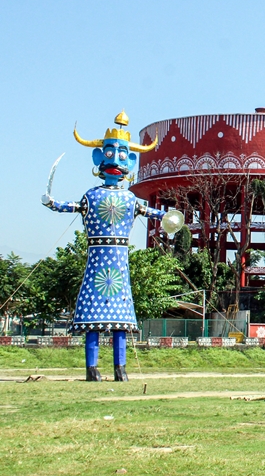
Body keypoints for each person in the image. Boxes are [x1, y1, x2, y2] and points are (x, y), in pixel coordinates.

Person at [42, 111, 183, 382]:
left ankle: (120, 368)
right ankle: (92, 368)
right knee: (93, 323)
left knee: (120, 324)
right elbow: (69, 206)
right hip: (98, 258)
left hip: (118, 262)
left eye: (122, 154)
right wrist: (52, 202)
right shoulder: (91, 196)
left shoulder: (130, 199)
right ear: (99, 157)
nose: (115, 159)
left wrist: (169, 217)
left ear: (130, 160)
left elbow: (154, 213)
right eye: (110, 152)